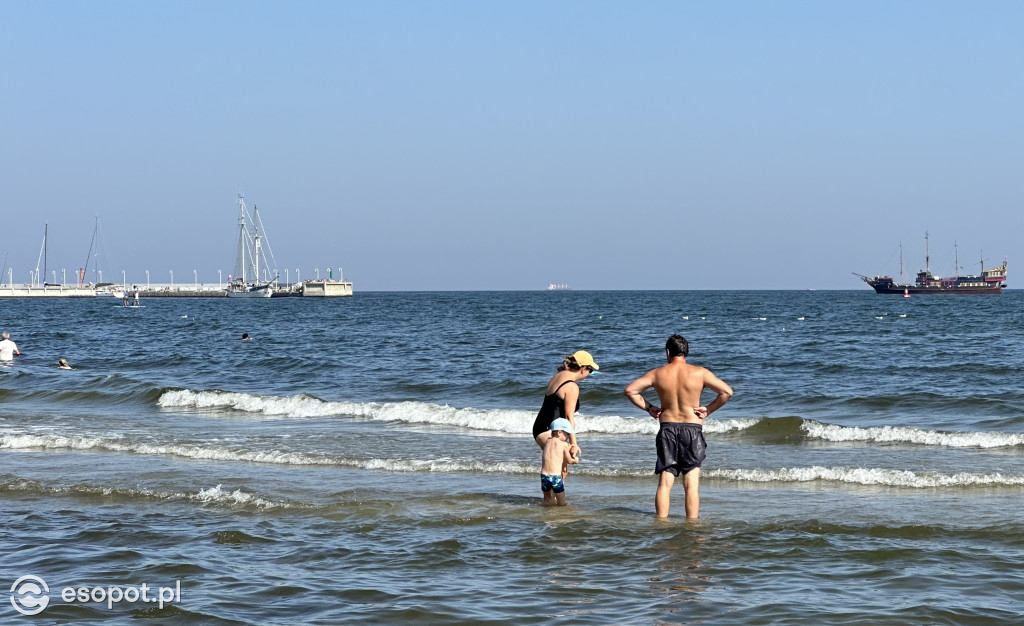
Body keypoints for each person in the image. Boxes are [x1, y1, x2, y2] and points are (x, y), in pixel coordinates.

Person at [624, 334, 732, 519]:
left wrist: (649, 408)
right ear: (686, 353)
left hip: (668, 428)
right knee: (691, 484)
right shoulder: (700, 372)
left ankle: (662, 522)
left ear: (668, 353)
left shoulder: (657, 373)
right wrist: (708, 410)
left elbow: (630, 390)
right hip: (692, 428)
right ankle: (692, 524)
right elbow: (726, 392)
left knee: (665, 482)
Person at [532, 350, 599, 466]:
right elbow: (569, 417)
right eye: (590, 370)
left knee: (557, 469)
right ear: (583, 368)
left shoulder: (558, 375)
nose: (589, 373)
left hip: (541, 427)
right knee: (558, 470)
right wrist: (573, 443)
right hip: (551, 432)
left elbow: (563, 370)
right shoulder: (572, 387)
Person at [540, 418, 579, 506]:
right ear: (559, 432)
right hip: (555, 477)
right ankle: (561, 515)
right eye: (567, 434)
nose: (568, 437)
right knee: (562, 502)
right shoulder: (563, 444)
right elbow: (569, 460)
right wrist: (575, 460)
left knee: (547, 500)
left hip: (544, 476)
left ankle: (546, 515)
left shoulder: (547, 441)